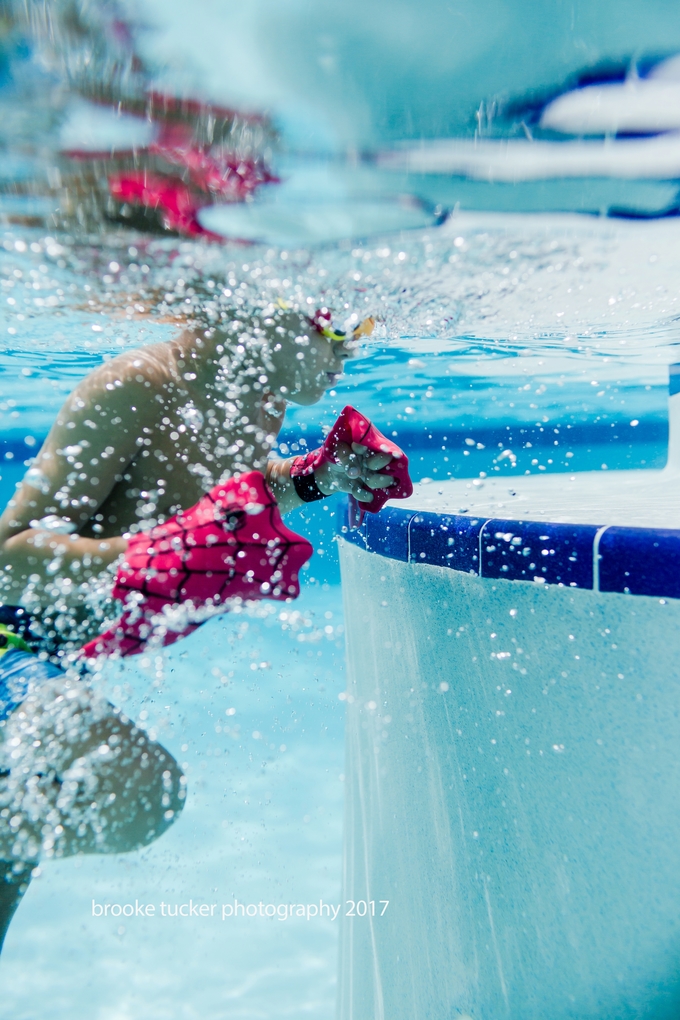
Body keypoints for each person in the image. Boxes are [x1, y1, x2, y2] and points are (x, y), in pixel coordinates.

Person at [0, 301, 408, 951]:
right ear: (254, 309)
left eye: (361, 326)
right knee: (138, 796)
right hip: (9, 643)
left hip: (52, 653)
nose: (352, 347)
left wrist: (311, 478)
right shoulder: (134, 387)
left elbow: (215, 497)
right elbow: (10, 555)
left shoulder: (254, 399)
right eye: (337, 325)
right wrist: (142, 554)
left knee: (28, 843)